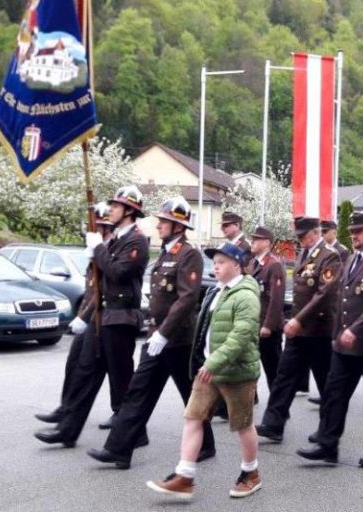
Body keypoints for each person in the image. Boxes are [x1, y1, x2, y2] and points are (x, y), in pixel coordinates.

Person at [87, 196, 216, 469]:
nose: (158, 226)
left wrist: (164, 333)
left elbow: (187, 298)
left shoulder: (188, 254)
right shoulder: (167, 254)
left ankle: (205, 444)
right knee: (138, 392)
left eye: (164, 222)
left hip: (178, 340)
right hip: (157, 337)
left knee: (190, 393)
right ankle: (119, 450)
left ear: (178, 226)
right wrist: (155, 330)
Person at [35, 186, 150, 446]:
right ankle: (68, 430)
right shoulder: (117, 239)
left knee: (121, 382)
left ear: (129, 211)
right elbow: (100, 279)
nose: (111, 209)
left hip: (121, 318)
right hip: (103, 316)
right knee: (85, 373)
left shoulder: (137, 241)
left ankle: (136, 433)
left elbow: (118, 272)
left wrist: (98, 249)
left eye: (116, 206)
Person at [147, 242, 262, 500]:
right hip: (209, 369)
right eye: (215, 262)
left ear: (237, 265)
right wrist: (203, 360)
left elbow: (241, 335)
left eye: (221, 262)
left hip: (236, 372)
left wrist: (213, 363)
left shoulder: (245, 295)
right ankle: (184, 476)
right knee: (193, 417)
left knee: (242, 425)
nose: (215, 267)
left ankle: (251, 473)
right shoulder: (215, 291)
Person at [296, 212, 363, 468]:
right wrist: (337, 334)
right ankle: (328, 445)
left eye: (359, 231)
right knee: (334, 394)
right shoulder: (352, 258)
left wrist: (355, 330)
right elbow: (342, 300)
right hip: (346, 344)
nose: (354, 235)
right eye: (352, 232)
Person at [255, 217, 341, 442]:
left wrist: (298, 320)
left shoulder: (329, 256)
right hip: (299, 331)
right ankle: (273, 424)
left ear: (316, 233)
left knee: (326, 383)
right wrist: (292, 319)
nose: (301, 240)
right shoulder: (304, 253)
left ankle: (328, 434)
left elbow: (324, 294)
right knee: (284, 377)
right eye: (299, 236)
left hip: (319, 331)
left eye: (304, 236)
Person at [34, 202, 114, 425]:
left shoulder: (108, 252)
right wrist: (81, 315)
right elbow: (90, 290)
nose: (91, 231)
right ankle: (66, 408)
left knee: (112, 373)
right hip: (90, 317)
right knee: (74, 364)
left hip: (103, 319)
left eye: (95, 227)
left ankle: (122, 416)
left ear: (106, 228)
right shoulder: (96, 250)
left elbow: (102, 291)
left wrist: (83, 317)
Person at [246, 227, 286, 390]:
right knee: (248, 365)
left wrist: (268, 325)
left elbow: (276, 299)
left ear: (267, 243)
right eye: (252, 239)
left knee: (273, 368)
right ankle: (251, 397)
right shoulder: (252, 263)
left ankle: (278, 403)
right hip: (253, 323)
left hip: (267, 327)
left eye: (256, 239)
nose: (252, 242)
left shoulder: (273, 265)